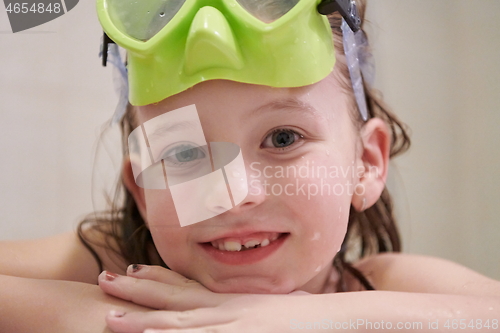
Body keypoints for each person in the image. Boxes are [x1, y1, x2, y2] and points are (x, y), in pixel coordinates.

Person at [1, 0, 499, 332]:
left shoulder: (383, 285)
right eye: (183, 154)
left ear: (365, 164)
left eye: (282, 138)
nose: (234, 193)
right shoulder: (113, 260)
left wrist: (309, 320)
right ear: (141, 188)